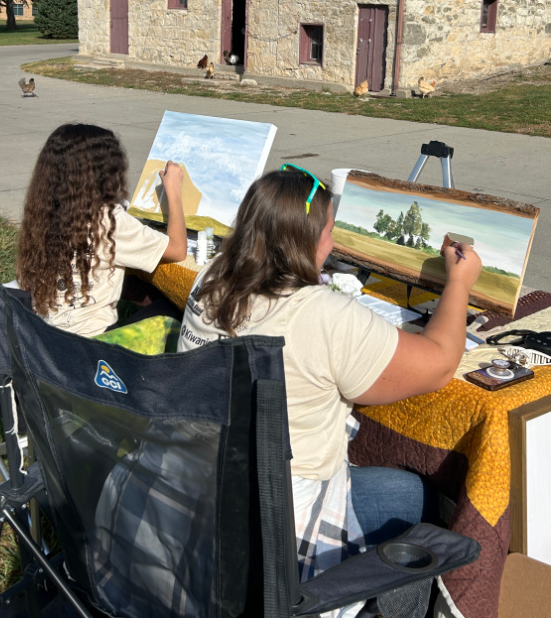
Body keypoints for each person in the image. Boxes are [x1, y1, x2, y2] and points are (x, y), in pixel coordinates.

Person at [178, 166, 482, 581]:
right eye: (329, 231)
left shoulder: (210, 276)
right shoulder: (321, 314)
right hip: (278, 516)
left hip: (199, 485)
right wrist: (459, 283)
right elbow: (440, 362)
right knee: (420, 496)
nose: (333, 242)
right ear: (307, 239)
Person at [17, 123, 187, 337]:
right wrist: (173, 190)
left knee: (134, 285)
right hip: (93, 344)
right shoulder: (108, 220)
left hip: (49, 337)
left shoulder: (44, 211)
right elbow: (178, 250)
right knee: (173, 308)